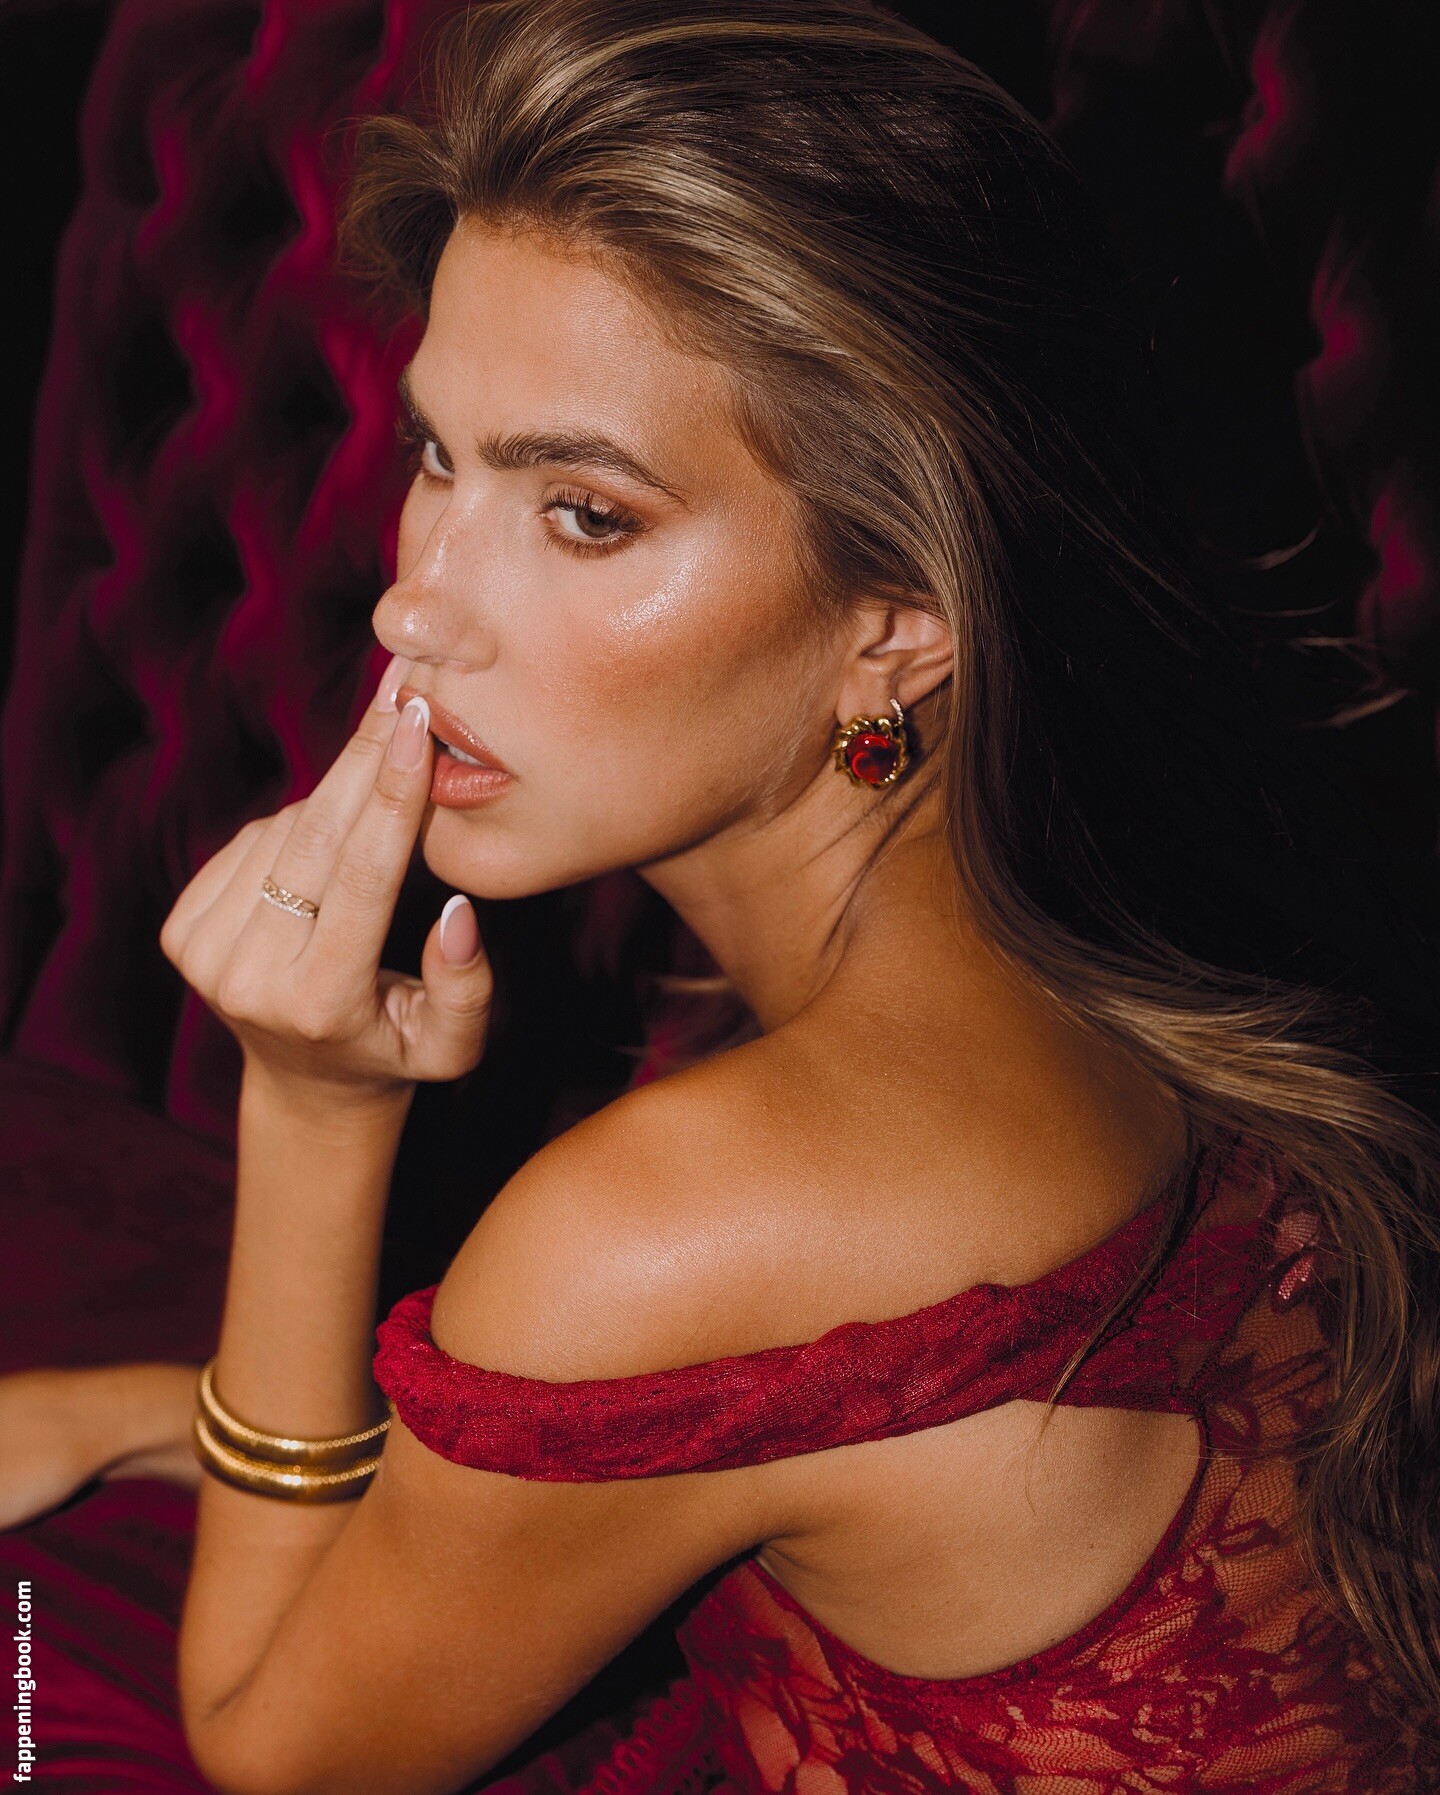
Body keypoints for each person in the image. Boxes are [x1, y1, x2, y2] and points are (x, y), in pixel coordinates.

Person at [3, 0, 1440, 1788]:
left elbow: (276, 1754)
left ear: (897, 619)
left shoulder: (679, 1220)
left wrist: (312, 1106)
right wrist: (151, 1413)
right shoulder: (1122, 967)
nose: (411, 606)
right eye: (441, 456)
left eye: (586, 514)